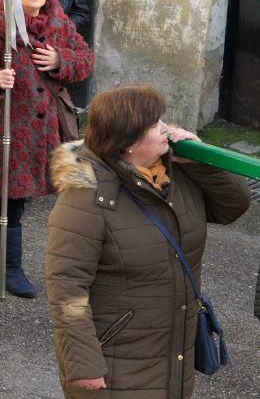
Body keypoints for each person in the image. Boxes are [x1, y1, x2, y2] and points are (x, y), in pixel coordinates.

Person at [46, 85, 250, 397]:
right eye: (155, 124)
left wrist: (200, 160)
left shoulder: (174, 171)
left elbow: (233, 206)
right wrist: (83, 362)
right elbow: (66, 287)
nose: (167, 128)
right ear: (128, 142)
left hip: (172, 352)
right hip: (116, 361)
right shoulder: (87, 194)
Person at [0, 0, 93, 298]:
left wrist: (60, 60)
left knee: (21, 195)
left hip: (45, 129)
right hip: (8, 128)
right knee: (11, 196)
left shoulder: (58, 23)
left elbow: (85, 60)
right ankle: (12, 267)